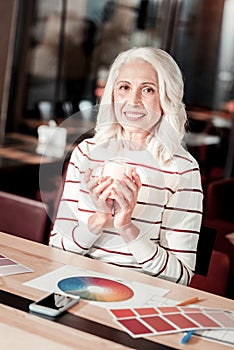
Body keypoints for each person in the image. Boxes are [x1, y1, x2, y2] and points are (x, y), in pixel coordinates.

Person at [49, 47, 203, 285]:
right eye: (124, 87)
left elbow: (180, 276)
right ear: (113, 94)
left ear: (166, 99)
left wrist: (126, 227)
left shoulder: (182, 169)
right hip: (73, 281)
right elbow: (56, 247)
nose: (133, 101)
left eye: (148, 89)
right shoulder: (86, 153)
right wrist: (98, 219)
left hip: (140, 293)